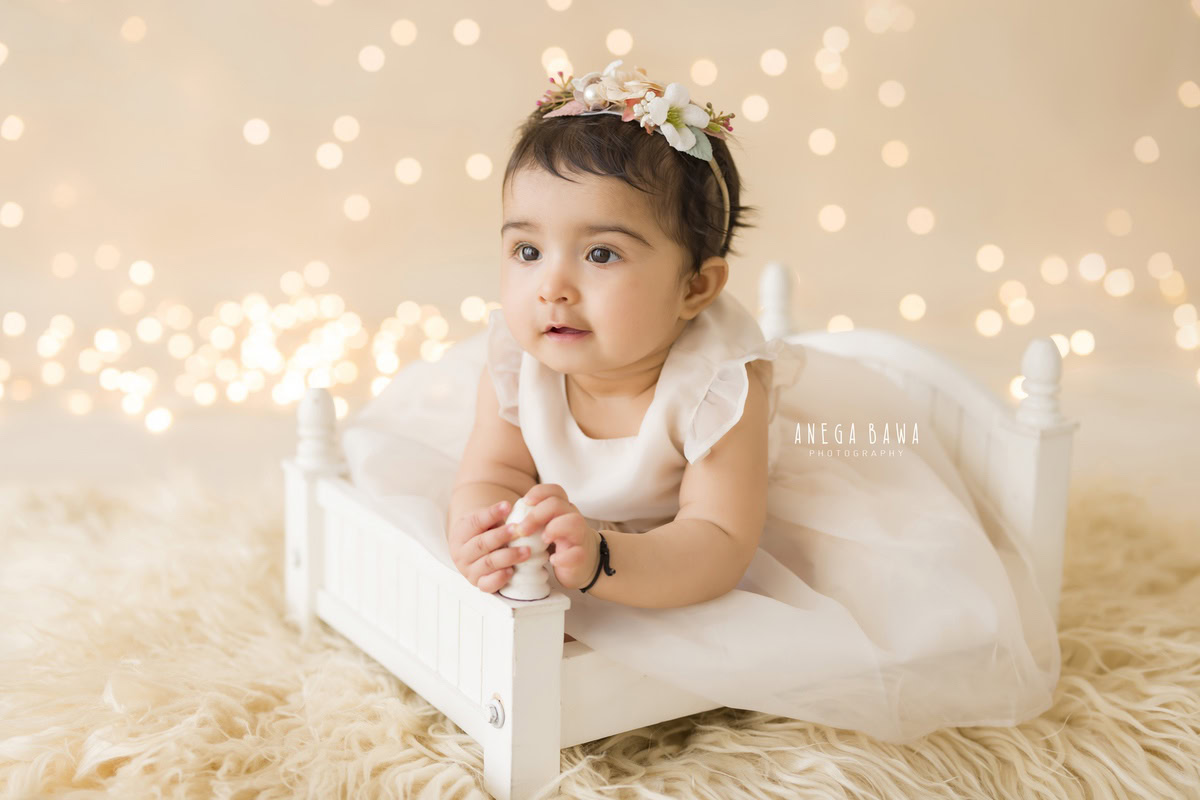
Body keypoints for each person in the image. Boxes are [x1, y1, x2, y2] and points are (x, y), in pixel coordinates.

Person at [342, 61, 1061, 744]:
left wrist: (601, 559)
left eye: (600, 255)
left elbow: (717, 543)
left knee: (875, 603)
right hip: (588, 532)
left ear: (695, 288)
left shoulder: (719, 386)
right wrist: (484, 531)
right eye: (527, 251)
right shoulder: (518, 357)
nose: (551, 286)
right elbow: (493, 472)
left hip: (690, 540)